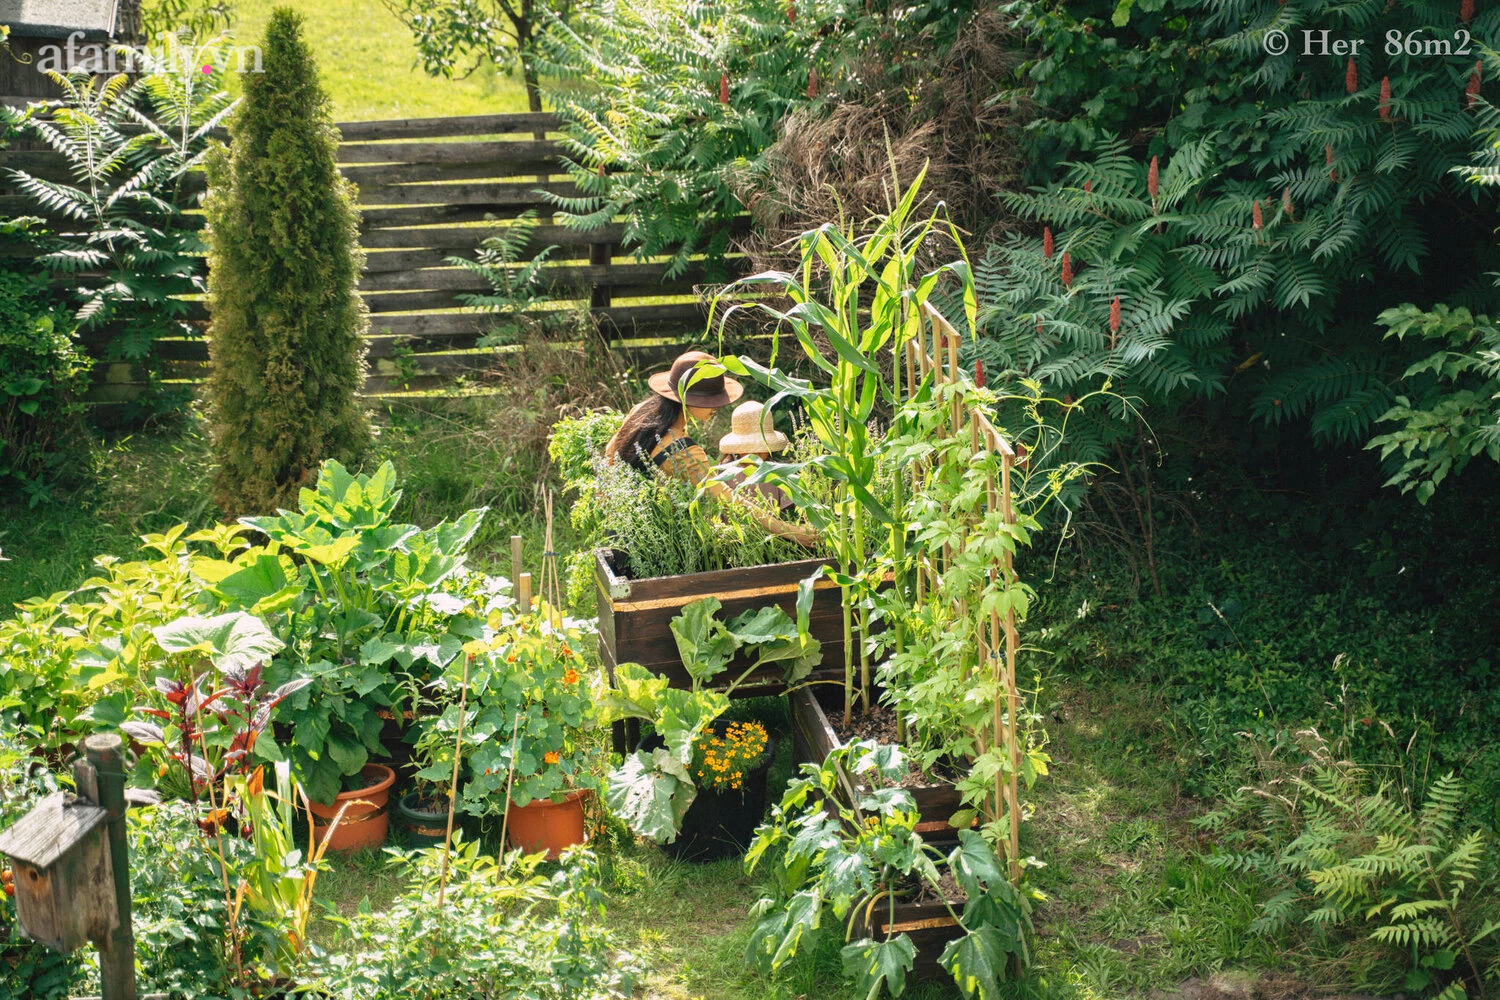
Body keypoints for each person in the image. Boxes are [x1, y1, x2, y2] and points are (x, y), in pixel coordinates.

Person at [604, 351, 816, 546]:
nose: (716, 406)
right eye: (707, 399)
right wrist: (792, 532)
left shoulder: (643, 411)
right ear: (685, 398)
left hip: (621, 530)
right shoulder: (682, 451)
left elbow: (610, 456)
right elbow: (729, 501)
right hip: (653, 544)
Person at [717, 400, 795, 512]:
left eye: (760, 448)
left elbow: (790, 513)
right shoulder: (726, 471)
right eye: (749, 448)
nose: (755, 453)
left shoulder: (777, 473)